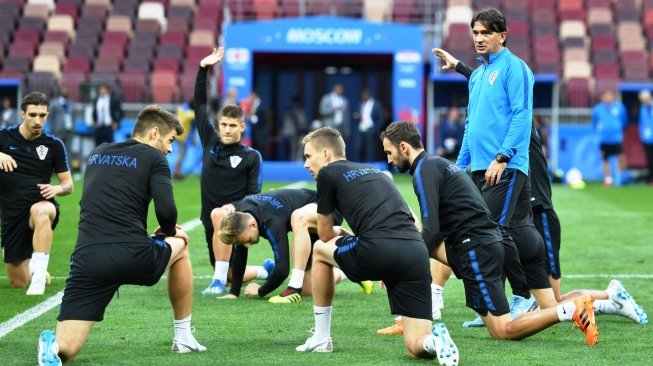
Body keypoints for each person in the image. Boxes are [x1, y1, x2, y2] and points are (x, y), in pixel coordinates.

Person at [434, 46, 649, 326]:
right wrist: (462, 68)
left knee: (554, 302)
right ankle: (495, 307)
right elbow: (488, 88)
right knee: (503, 251)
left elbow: (497, 93)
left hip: (540, 213)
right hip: (520, 218)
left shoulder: (520, 130)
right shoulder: (502, 120)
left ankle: (610, 298)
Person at [381, 120, 600, 345]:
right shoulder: (437, 164)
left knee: (503, 330)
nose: (388, 159)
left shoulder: (424, 171)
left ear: (404, 147)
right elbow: (434, 234)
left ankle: (570, 309)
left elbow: (431, 229)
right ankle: (413, 315)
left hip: (477, 249)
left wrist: (398, 265)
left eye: (389, 152)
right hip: (479, 245)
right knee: (418, 248)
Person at [36, 105, 206, 366]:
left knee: (68, 349)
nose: (170, 149)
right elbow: (166, 210)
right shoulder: (155, 158)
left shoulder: (97, 153)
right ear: (154, 133)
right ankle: (182, 337)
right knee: (181, 244)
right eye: (170, 140)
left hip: (87, 259)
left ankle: (52, 348)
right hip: (132, 254)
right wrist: (170, 232)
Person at [296, 127, 459, 366]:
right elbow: (413, 222)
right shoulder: (377, 172)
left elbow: (324, 234)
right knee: (416, 345)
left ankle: (321, 337)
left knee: (320, 250)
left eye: (308, 156)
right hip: (415, 253)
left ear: (326, 154)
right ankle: (435, 343)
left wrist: (343, 233)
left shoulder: (328, 174)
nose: (306, 164)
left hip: (377, 249)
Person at [208, 188, 370, 302]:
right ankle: (348, 272)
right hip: (304, 221)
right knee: (309, 289)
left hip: (325, 210)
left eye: (247, 240)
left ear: (253, 225)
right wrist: (234, 292)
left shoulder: (270, 221)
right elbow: (240, 252)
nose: (247, 245)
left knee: (298, 219)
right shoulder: (242, 214)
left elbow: (282, 269)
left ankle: (338, 233)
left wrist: (260, 290)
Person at [195, 48, 263, 295]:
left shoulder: (251, 156)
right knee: (231, 274)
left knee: (222, 277)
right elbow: (200, 105)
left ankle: (216, 282)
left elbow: (254, 193)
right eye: (223, 124)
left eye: (232, 125)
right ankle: (265, 270)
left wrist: (233, 207)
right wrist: (203, 69)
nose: (226, 129)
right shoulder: (210, 143)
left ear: (242, 127)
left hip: (235, 222)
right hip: (209, 221)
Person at [0, 91, 73, 295]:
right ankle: (34, 269)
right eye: (32, 115)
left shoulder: (54, 145)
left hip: (41, 205)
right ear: (22, 114)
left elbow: (68, 184)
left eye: (42, 115)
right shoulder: (4, 137)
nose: (37, 120)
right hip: (11, 216)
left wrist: (57, 188)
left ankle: (39, 277)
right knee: (18, 282)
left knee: (41, 212)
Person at [591, 89, 627, 187]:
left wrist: (617, 128)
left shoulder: (620, 107)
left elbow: (624, 121)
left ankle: (619, 178)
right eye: (606, 96)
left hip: (616, 138)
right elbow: (595, 123)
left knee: (621, 157)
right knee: (605, 159)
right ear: (602, 97)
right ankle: (608, 179)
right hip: (604, 138)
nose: (608, 98)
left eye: (610, 95)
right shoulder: (597, 109)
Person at [353, 89, 384, 162]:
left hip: (371, 129)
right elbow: (356, 114)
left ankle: (369, 166)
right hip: (361, 129)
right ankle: (359, 165)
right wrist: (356, 116)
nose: (363, 97)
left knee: (370, 150)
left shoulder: (376, 104)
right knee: (358, 148)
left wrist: (375, 129)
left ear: (369, 95)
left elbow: (381, 118)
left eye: (364, 95)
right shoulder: (360, 104)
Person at [279, 95, 307, 161]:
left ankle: (292, 160)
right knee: (294, 148)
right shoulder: (296, 110)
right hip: (293, 132)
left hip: (287, 132)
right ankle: (293, 161)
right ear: (297, 102)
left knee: (291, 148)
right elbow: (300, 122)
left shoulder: (287, 109)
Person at [173, 100, 196, 179]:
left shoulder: (181, 109)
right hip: (183, 137)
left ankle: (177, 172)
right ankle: (177, 173)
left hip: (180, 136)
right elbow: (191, 117)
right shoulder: (190, 113)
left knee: (181, 155)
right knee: (181, 155)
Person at [247, 90, 270, 159]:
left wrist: (253, 118)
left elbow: (264, 119)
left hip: (261, 133)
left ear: (255, 96)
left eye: (251, 95)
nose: (249, 97)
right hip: (255, 133)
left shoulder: (263, 106)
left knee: (261, 150)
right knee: (255, 151)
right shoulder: (253, 106)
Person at [638, 89, 653, 184]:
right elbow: (642, 123)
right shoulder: (642, 108)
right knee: (649, 159)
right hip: (647, 138)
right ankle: (651, 178)